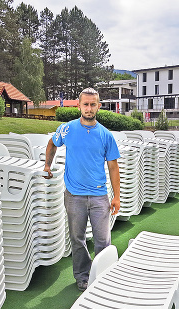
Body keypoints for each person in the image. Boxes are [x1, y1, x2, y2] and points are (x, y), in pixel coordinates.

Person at [44, 87, 121, 291]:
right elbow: (52, 143)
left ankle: (104, 276)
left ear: (98, 106)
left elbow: (113, 167)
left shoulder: (105, 135)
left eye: (92, 104)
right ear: (79, 105)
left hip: (99, 196)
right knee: (77, 238)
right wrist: (47, 166)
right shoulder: (67, 129)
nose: (89, 108)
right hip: (74, 196)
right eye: (85, 104)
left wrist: (117, 197)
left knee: (103, 240)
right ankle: (82, 276)